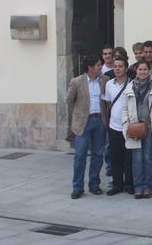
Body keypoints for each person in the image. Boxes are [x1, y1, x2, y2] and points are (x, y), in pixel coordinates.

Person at [121, 59, 152, 199]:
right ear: (136, 71)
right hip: (134, 127)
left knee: (148, 158)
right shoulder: (129, 87)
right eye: (140, 69)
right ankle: (138, 187)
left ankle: (148, 186)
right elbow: (124, 109)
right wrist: (126, 125)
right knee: (137, 158)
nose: (142, 72)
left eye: (145, 69)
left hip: (150, 127)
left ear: (149, 70)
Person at [67, 55, 109, 199]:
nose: (100, 67)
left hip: (99, 121)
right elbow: (69, 100)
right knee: (80, 155)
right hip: (84, 123)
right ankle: (77, 187)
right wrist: (79, 114)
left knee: (98, 155)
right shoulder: (77, 82)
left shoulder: (105, 80)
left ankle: (94, 184)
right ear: (90, 67)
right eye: (98, 65)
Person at [103, 57, 133, 196]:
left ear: (126, 68)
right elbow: (108, 104)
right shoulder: (109, 84)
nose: (117, 69)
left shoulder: (132, 83)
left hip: (128, 127)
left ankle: (129, 184)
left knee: (129, 158)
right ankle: (117, 185)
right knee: (115, 157)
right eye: (115, 66)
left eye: (120, 66)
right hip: (114, 126)